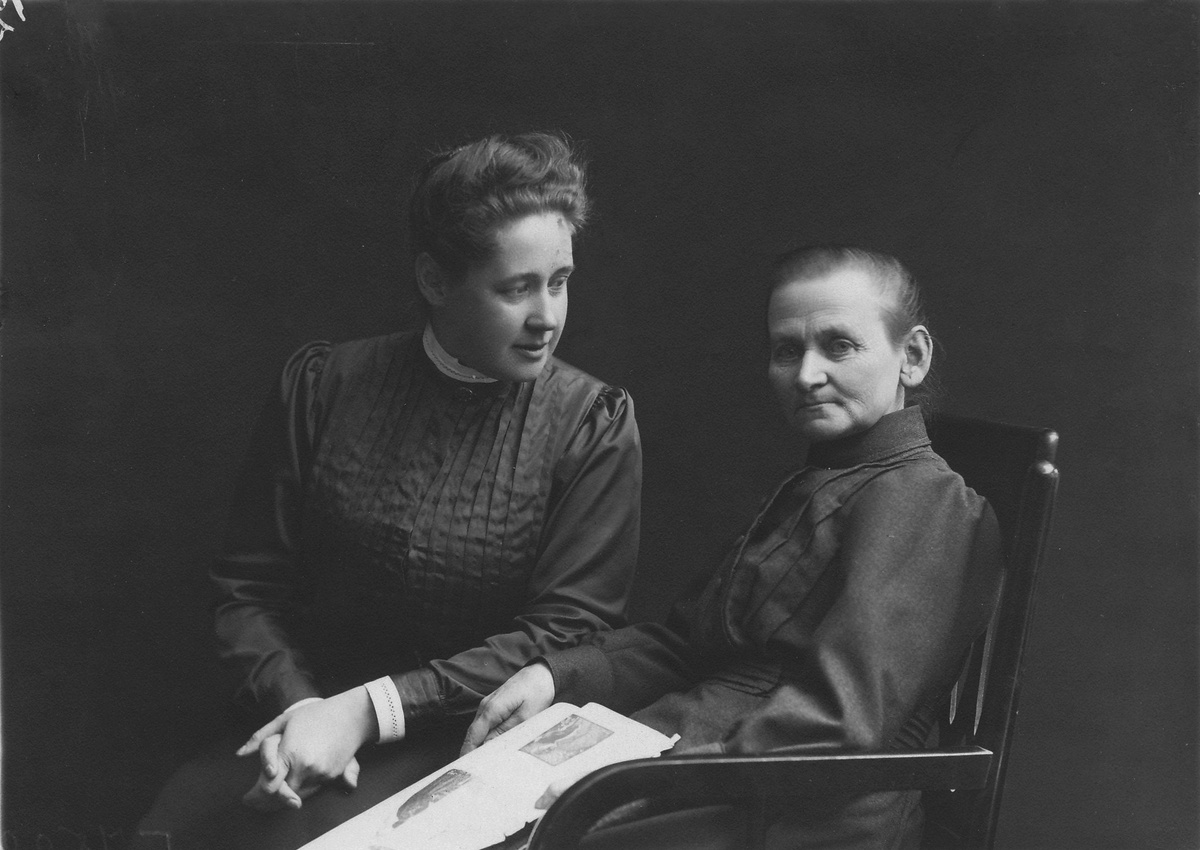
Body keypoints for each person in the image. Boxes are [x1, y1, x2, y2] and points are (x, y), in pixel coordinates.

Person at [131, 132, 642, 849]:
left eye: (558, 281)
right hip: (297, 725)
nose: (547, 317)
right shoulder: (323, 386)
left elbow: (565, 631)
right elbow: (247, 591)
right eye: (515, 288)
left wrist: (367, 712)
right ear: (435, 280)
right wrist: (301, 711)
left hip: (471, 747)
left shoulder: (591, 424)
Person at [463, 245, 1005, 849]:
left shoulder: (924, 501)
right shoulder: (824, 481)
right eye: (787, 350)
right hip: (692, 760)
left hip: (793, 812)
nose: (807, 375)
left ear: (913, 357)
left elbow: (839, 725)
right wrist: (555, 676)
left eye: (839, 346)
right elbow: (686, 645)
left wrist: (632, 785)